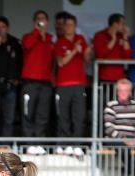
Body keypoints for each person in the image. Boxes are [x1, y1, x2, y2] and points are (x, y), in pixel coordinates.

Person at [54, 13, 90, 157]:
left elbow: (86, 59)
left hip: (79, 83)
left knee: (79, 116)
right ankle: (65, 144)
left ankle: (77, 145)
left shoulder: (81, 39)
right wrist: (75, 50)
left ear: (75, 27)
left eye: (71, 25)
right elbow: (61, 62)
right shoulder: (59, 42)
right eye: (66, 25)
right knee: (64, 116)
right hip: (63, 84)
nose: (68, 27)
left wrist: (87, 51)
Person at [21, 10, 54, 151]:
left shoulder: (51, 39)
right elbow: (27, 45)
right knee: (28, 112)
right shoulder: (28, 36)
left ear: (47, 22)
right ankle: (29, 143)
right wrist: (36, 31)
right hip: (30, 81)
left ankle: (39, 142)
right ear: (35, 22)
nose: (41, 21)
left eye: (43, 19)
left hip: (46, 81)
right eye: (38, 19)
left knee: (42, 113)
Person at [0, 16, 22, 137]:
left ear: (7, 28)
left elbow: (20, 61)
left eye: (3, 26)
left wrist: (18, 78)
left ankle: (6, 142)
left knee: (9, 117)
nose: (0, 29)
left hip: (11, 84)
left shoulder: (14, 43)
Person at [104, 78, 135, 176]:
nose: (123, 93)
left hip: (133, 137)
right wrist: (124, 139)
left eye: (126, 90)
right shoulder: (111, 105)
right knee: (123, 149)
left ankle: (129, 169)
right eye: (121, 90)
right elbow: (109, 128)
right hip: (116, 138)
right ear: (117, 92)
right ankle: (133, 170)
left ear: (130, 92)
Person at [92, 14, 132, 82]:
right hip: (104, 77)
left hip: (120, 77)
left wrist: (125, 38)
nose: (124, 26)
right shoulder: (99, 35)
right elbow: (100, 55)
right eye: (122, 24)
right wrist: (113, 39)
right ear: (115, 24)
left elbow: (128, 56)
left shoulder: (122, 36)